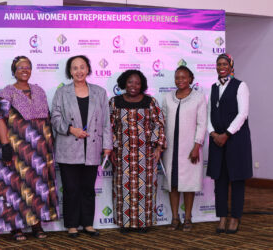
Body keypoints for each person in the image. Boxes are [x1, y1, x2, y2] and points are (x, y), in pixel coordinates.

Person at [0, 56, 59, 240]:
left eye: (27, 66)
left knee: (36, 186)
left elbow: (46, 120)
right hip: (15, 148)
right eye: (20, 67)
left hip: (38, 150)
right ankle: (15, 226)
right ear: (14, 70)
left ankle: (36, 223)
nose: (24, 69)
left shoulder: (39, 91)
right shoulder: (7, 93)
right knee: (14, 187)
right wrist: (5, 145)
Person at [51, 55, 112, 238]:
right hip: (68, 147)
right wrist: (70, 129)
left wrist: (107, 146)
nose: (79, 71)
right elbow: (55, 118)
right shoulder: (62, 93)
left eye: (82, 67)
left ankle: (87, 223)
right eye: (75, 68)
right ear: (70, 71)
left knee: (87, 188)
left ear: (88, 69)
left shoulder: (100, 92)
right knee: (71, 189)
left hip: (92, 148)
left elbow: (106, 122)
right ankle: (71, 225)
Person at [109, 69, 165, 233]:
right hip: (122, 153)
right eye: (130, 82)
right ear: (124, 83)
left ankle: (143, 223)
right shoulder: (114, 102)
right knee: (122, 189)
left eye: (138, 83)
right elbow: (108, 127)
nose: (134, 86)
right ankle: (125, 223)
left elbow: (159, 124)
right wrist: (110, 148)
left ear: (143, 85)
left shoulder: (150, 102)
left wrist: (158, 147)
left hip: (145, 154)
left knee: (145, 189)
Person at [207, 53, 252, 234]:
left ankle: (235, 218)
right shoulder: (213, 87)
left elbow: (243, 114)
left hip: (236, 140)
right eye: (219, 64)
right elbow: (210, 113)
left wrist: (226, 134)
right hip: (217, 140)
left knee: (237, 179)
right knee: (220, 180)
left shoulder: (241, 86)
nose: (222, 66)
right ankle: (222, 217)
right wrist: (212, 133)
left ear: (232, 66)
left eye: (225, 63)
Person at [162, 66, 207, 231]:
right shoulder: (167, 97)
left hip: (190, 149)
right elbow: (163, 122)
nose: (180, 80)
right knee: (173, 184)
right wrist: (161, 144)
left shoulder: (199, 97)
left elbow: (202, 124)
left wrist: (197, 146)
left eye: (183, 77)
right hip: (171, 150)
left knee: (189, 185)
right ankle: (174, 219)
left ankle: (188, 218)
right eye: (177, 78)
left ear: (190, 79)